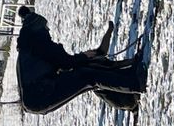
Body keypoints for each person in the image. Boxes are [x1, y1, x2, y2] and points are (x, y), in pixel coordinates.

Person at [16, 9, 145, 114]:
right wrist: (83, 56)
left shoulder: (29, 46)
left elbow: (62, 62)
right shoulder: (38, 43)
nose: (48, 30)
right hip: (41, 97)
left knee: (86, 75)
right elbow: (65, 62)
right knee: (89, 77)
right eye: (45, 27)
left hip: (41, 91)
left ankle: (129, 81)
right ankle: (135, 84)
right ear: (38, 28)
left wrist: (82, 58)